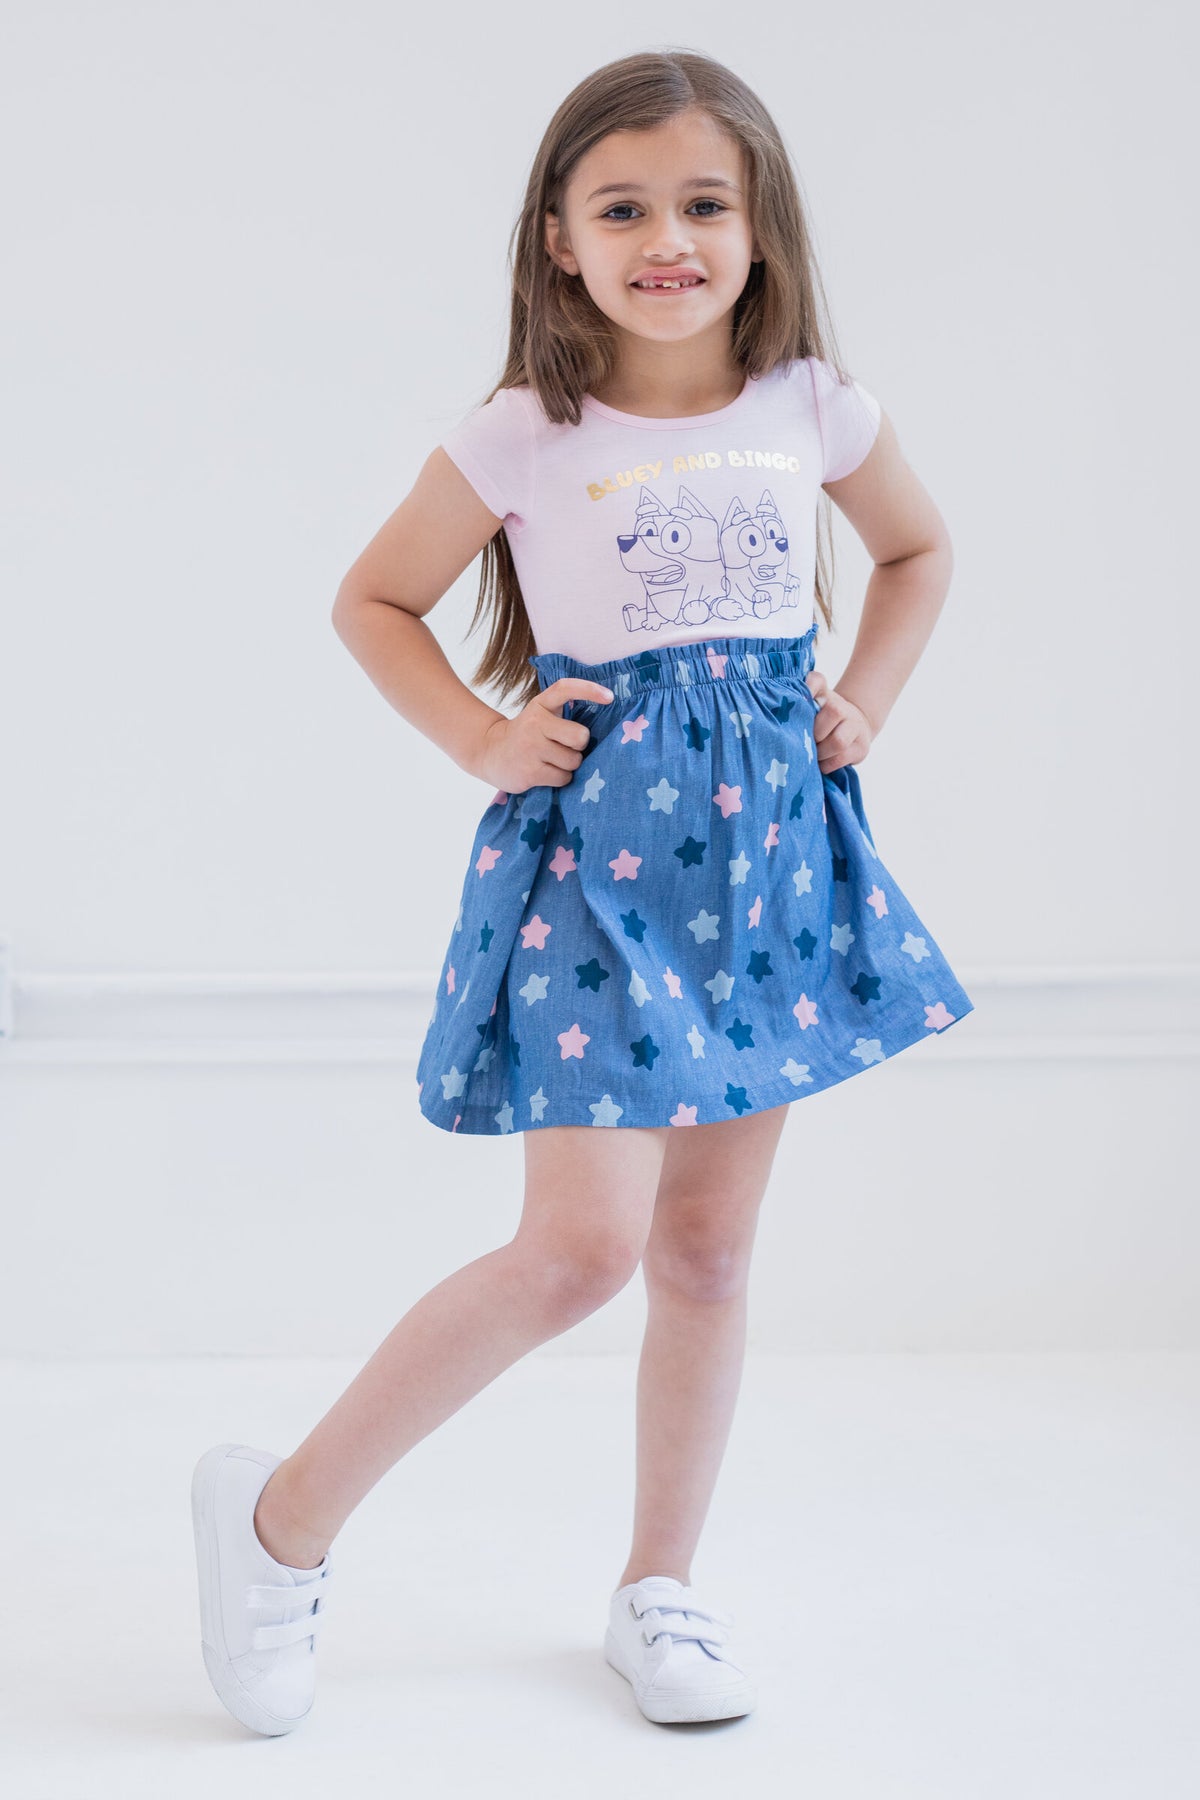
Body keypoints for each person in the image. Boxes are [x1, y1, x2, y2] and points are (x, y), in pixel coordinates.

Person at [191, 46, 975, 1735]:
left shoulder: (813, 404)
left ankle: (660, 1588)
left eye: (703, 204)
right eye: (622, 208)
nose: (666, 240)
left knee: (707, 1252)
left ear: (760, 226)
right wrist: (485, 737)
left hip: (765, 871)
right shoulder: (522, 433)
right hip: (601, 876)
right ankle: (278, 1523)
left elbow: (918, 551)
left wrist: (866, 696)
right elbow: (373, 601)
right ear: (558, 238)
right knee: (578, 1252)